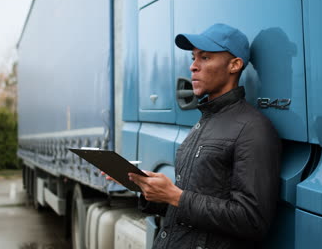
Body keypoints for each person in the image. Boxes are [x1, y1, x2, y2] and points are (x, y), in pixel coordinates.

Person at [112, 23, 282, 249]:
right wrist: (148, 189)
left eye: (205, 58)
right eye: (193, 58)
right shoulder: (203, 122)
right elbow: (188, 205)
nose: (193, 66)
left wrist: (175, 196)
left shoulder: (253, 129)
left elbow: (252, 220)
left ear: (234, 65)